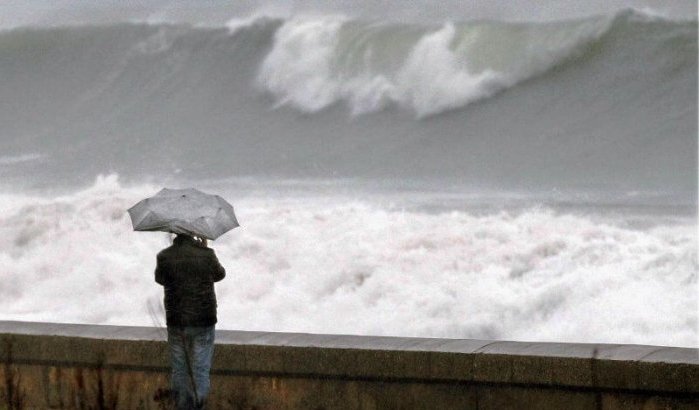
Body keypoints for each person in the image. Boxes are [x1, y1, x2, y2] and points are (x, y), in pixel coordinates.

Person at [155, 233, 226, 409]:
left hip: (177, 321)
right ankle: (197, 406)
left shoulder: (164, 256)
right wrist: (205, 248)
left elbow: (160, 279)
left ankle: (182, 406)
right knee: (200, 369)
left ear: (175, 232)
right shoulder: (206, 255)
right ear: (194, 233)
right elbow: (220, 274)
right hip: (203, 321)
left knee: (179, 370)